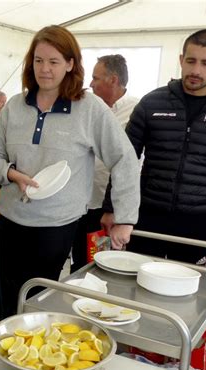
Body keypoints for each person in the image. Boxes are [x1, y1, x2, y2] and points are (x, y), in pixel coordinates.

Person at [0, 25, 140, 317]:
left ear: (70, 64)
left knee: (41, 295)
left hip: (57, 223)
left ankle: (35, 349)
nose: (44, 69)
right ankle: (8, 345)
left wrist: (125, 217)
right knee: (8, 291)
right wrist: (11, 174)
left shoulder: (89, 108)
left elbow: (124, 158)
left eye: (54, 62)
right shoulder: (15, 106)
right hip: (11, 218)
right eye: (38, 60)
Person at [115, 29, 206, 266]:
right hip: (148, 216)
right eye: (191, 60)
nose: (196, 70)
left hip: (197, 222)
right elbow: (123, 159)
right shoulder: (153, 102)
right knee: (136, 284)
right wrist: (112, 209)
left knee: (186, 294)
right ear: (181, 60)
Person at [70, 54, 139, 272]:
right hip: (82, 201)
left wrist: (118, 211)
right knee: (80, 261)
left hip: (110, 208)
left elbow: (131, 163)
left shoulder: (136, 111)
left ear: (113, 80)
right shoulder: (88, 109)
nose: (90, 84)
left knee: (104, 264)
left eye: (95, 78)